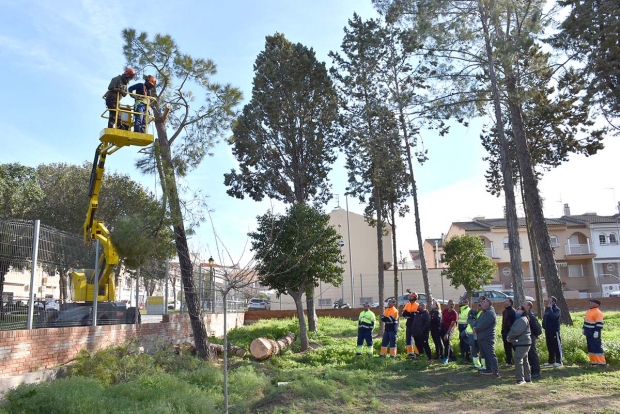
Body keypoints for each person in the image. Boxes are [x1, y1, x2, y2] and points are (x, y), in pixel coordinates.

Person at [473, 298, 500, 378]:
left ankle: (495, 371)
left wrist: (476, 329)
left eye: (484, 301)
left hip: (487, 337)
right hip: (481, 337)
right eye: (482, 302)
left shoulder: (490, 313)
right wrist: (474, 327)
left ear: (489, 304)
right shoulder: (483, 313)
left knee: (490, 354)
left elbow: (484, 324)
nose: (482, 303)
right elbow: (477, 322)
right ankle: (488, 369)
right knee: (484, 354)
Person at [507, 305, 532, 385]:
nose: (516, 310)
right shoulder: (521, 319)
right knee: (525, 360)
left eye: (518, 309)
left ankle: (520, 379)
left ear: (523, 311)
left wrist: (509, 337)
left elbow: (516, 331)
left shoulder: (521, 319)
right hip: (523, 342)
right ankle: (527, 379)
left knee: (518, 359)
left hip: (522, 342)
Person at [583, 299, 606, 366]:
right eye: (590, 302)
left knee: (596, 347)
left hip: (594, 333)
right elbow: (586, 321)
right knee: (590, 347)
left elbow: (599, 324)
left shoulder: (598, 312)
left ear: (597, 304)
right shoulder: (589, 311)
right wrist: (583, 328)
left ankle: (601, 363)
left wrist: (596, 331)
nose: (590, 303)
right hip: (588, 332)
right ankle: (593, 362)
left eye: (592, 302)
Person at [523, 300, 542, 378]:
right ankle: (531, 369)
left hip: (531, 336)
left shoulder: (530, 315)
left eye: (524, 304)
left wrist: (536, 335)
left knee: (532, 353)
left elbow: (535, 326)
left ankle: (536, 371)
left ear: (528, 307)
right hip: (528, 336)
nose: (522, 304)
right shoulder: (526, 314)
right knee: (529, 354)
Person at [542, 296, 563, 367]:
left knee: (556, 345)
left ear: (553, 302)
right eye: (547, 300)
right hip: (547, 330)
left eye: (550, 301)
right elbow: (545, 318)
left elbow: (553, 317)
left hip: (554, 330)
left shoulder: (557, 309)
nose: (548, 302)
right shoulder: (547, 309)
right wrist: (544, 326)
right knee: (549, 346)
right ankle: (551, 361)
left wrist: (550, 308)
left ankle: (559, 361)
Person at [467, 299, 485, 370]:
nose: (479, 304)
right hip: (473, 333)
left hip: (480, 334)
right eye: (478, 302)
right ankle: (477, 365)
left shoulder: (484, 313)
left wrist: (473, 324)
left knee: (482, 350)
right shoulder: (475, 312)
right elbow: (469, 321)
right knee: (474, 349)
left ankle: (484, 366)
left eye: (481, 302)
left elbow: (478, 323)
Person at [402, 292, 420, 359]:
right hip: (409, 324)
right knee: (408, 339)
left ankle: (418, 353)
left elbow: (414, 315)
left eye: (411, 296)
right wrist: (410, 314)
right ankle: (410, 353)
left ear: (415, 297)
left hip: (415, 324)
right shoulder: (407, 304)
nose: (410, 298)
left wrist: (409, 314)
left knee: (415, 339)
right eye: (410, 296)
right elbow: (404, 314)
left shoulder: (417, 305)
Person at [440, 299, 458, 364]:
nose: (452, 306)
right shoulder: (445, 311)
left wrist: (447, 334)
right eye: (450, 304)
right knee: (445, 343)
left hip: (450, 329)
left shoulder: (454, 313)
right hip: (443, 328)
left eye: (453, 304)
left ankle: (446, 358)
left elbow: (452, 324)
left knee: (447, 342)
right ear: (447, 305)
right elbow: (442, 320)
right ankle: (452, 356)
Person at [501, 297, 516, 366]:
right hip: (504, 332)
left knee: (514, 347)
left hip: (511, 332)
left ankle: (518, 361)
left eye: (506, 300)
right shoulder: (504, 311)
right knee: (507, 347)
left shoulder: (513, 311)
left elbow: (514, 323)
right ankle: (509, 361)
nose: (504, 301)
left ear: (510, 302)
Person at [458, 297, 471, 362]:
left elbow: (469, 320)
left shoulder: (468, 309)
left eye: (461, 301)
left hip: (465, 328)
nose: (460, 302)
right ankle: (463, 356)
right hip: (461, 328)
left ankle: (467, 358)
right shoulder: (461, 309)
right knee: (462, 342)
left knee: (466, 343)